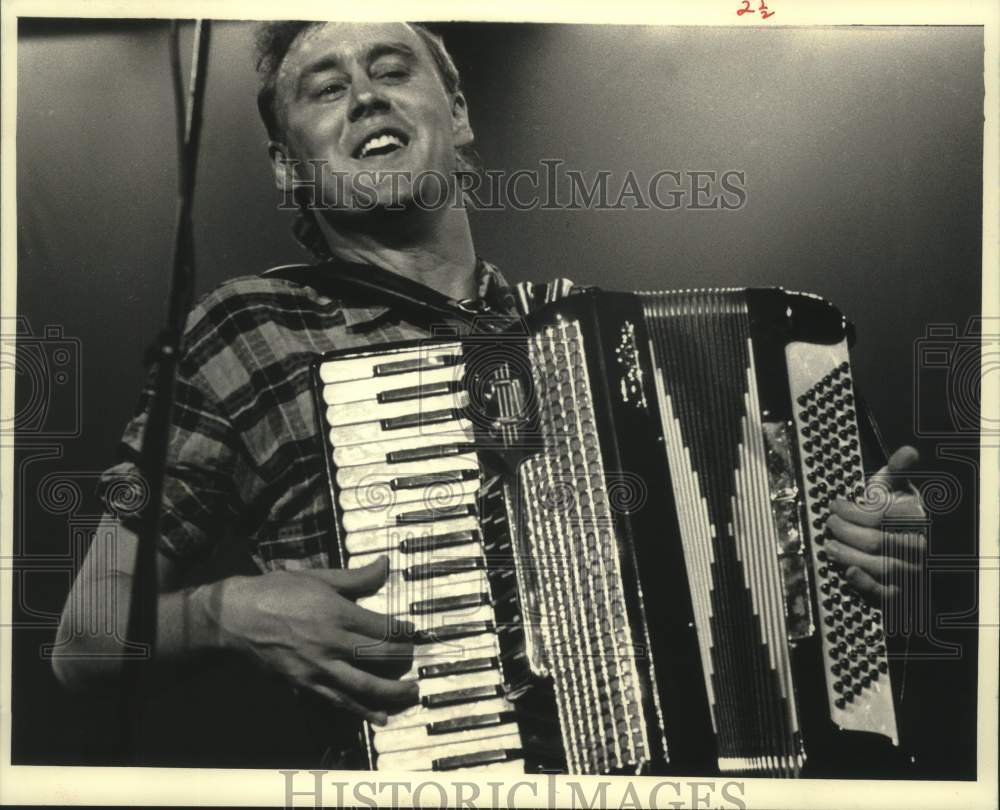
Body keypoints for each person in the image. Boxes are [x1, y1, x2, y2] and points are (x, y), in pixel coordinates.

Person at [52, 20, 928, 761]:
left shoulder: (580, 328)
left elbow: (805, 579)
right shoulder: (243, 330)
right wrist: (225, 613)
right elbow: (84, 637)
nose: (364, 95)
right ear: (288, 169)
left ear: (459, 114)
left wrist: (860, 551)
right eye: (324, 88)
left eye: (392, 70)